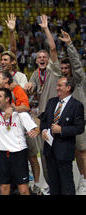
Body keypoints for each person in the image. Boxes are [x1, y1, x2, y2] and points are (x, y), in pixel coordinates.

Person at [24, 15, 62, 194]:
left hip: (56, 117)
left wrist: (46, 28)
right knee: (45, 155)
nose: (41, 58)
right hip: (41, 119)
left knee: (58, 154)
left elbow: (53, 48)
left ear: (48, 59)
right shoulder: (33, 74)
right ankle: (50, 186)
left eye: (44, 56)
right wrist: (29, 88)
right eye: (38, 57)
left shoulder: (53, 70)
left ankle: (62, 184)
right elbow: (31, 95)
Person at [0, 88, 40, 195]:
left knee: (23, 189)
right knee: (4, 188)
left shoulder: (20, 114)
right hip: (3, 155)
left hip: (19, 153)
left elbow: (35, 128)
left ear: (7, 99)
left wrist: (35, 131)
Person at [41, 77, 85, 195]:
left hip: (64, 151)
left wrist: (62, 130)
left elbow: (79, 128)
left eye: (60, 86)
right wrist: (44, 130)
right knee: (53, 184)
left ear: (68, 88)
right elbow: (44, 120)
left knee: (66, 185)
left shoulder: (77, 105)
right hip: (50, 150)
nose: (57, 88)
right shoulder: (51, 102)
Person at [58, 30, 86, 193]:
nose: (64, 70)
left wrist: (69, 45)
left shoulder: (79, 81)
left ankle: (85, 182)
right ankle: (81, 178)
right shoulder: (60, 84)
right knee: (75, 153)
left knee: (82, 152)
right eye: (62, 68)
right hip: (66, 124)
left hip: (80, 121)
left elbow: (76, 63)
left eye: (66, 67)